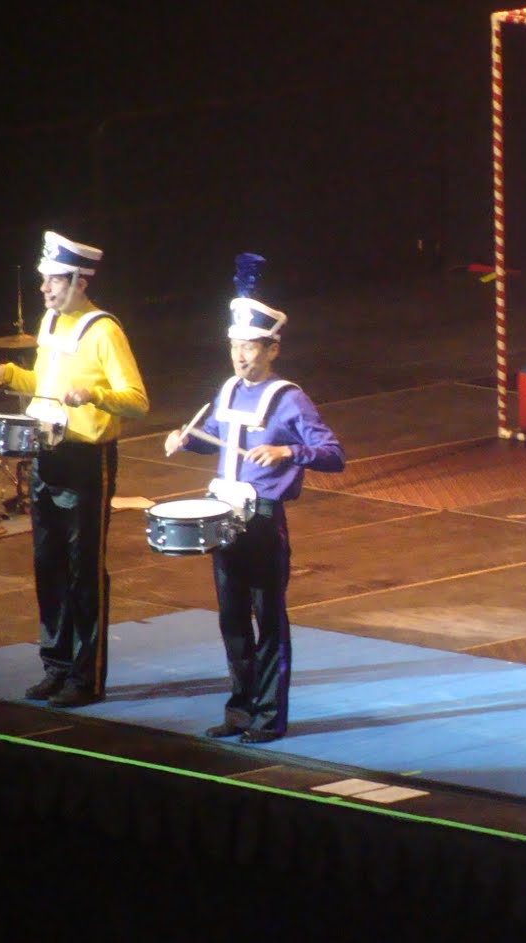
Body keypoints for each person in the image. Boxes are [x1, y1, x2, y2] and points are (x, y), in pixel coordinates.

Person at [164, 254, 345, 744]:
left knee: (267, 619)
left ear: (272, 348)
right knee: (232, 620)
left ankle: (268, 717)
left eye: (250, 347)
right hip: (224, 517)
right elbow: (214, 438)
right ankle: (240, 711)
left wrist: (288, 451)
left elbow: (334, 455)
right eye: (235, 346)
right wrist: (187, 440)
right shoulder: (227, 390)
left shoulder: (289, 399)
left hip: (263, 520)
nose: (240, 356)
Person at [0, 231, 149, 708]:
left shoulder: (104, 331)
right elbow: (45, 385)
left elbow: (137, 401)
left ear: (78, 281)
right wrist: (9, 375)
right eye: (44, 280)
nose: (44, 288)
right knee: (47, 566)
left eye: (53, 280)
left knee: (83, 570)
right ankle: (56, 666)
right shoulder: (49, 322)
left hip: (87, 460)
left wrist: (95, 395)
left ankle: (86, 677)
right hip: (46, 455)